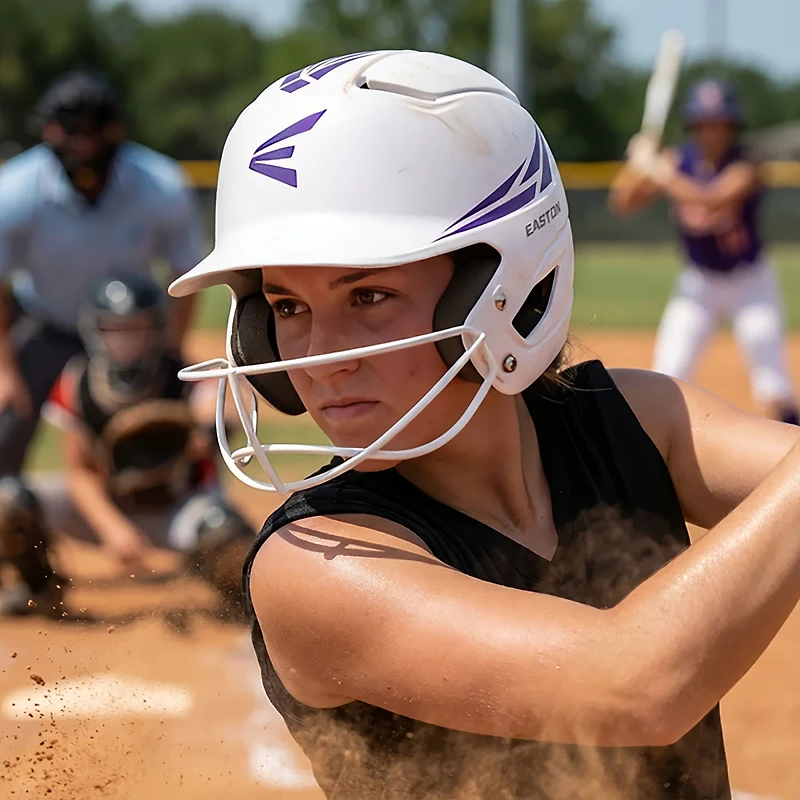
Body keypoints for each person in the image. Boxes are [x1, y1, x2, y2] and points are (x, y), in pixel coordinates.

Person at [170, 51, 800, 799]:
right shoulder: (314, 563)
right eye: (286, 307)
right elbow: (635, 685)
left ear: (504, 286)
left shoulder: (641, 419)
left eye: (367, 296)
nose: (319, 359)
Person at [0, 272, 253, 617]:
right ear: (94, 330)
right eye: (113, 328)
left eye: (136, 327)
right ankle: (39, 589)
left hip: (174, 508)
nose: (124, 339)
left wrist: (206, 432)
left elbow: (227, 407)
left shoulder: (182, 375)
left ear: (157, 328)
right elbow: (80, 473)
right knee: (9, 499)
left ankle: (234, 600)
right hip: (109, 504)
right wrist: (114, 529)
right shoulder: (78, 381)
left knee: (223, 531)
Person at [0, 68, 203, 477]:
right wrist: (5, 371)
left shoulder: (160, 184)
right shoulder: (16, 189)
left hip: (130, 335)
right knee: (5, 424)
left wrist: (170, 350)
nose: (84, 144)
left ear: (117, 130)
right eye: (73, 131)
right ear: (50, 132)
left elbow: (187, 271)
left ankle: (177, 519)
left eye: (94, 130)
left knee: (193, 425)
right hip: (47, 325)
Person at [610, 77, 799, 424]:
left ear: (733, 126)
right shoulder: (676, 160)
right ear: (693, 125)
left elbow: (712, 199)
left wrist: (659, 171)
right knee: (668, 370)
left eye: (720, 123)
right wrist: (639, 162)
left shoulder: (747, 164)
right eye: (704, 123)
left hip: (750, 282)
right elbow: (622, 200)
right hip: (698, 284)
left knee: (773, 382)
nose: (712, 131)